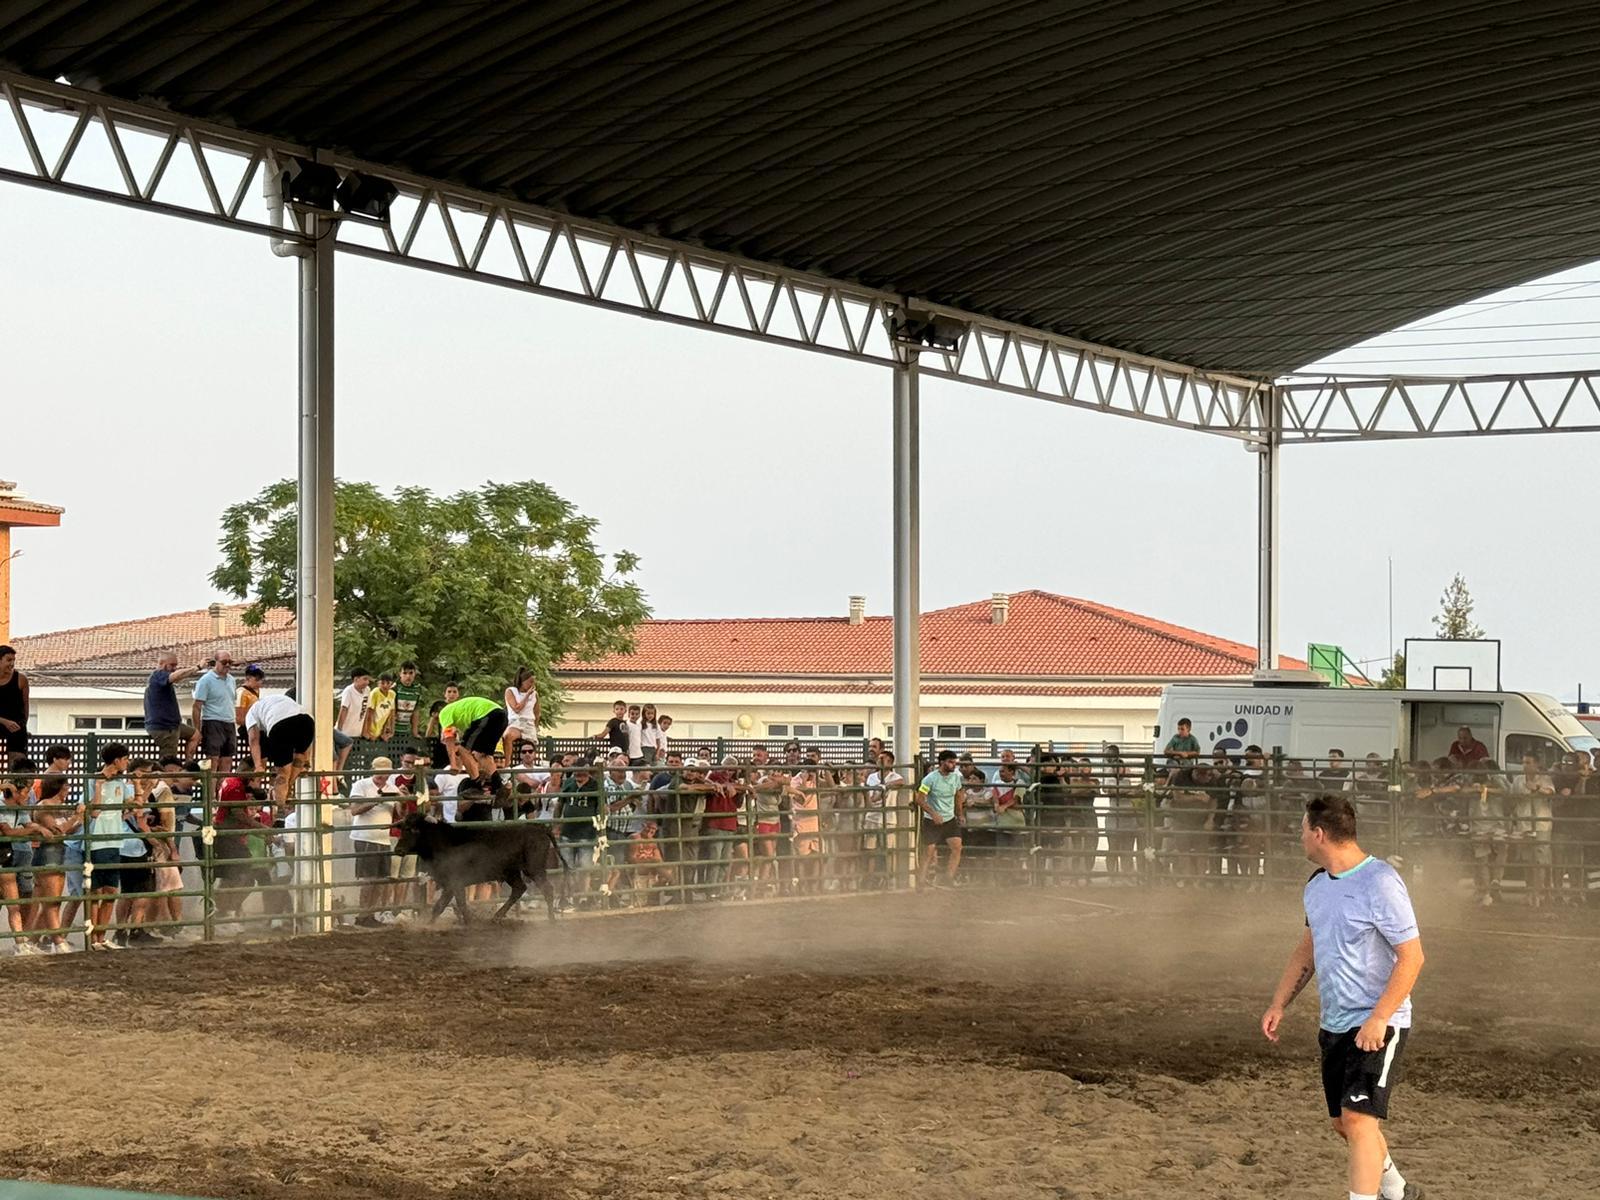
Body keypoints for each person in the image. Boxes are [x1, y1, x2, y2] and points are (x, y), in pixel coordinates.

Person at [1261, 794, 1425, 1200]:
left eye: (1302, 830)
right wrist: (1279, 1003)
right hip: (1335, 1021)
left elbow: (1412, 957)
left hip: (1377, 1022)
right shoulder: (1317, 885)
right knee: (1345, 1124)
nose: (1300, 837)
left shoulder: (1380, 882)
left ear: (1319, 834)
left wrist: (1379, 1018)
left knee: (1357, 1120)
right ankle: (1398, 1191)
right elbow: (1308, 949)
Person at [85, 742, 132, 951]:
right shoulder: (93, 780)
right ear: (116, 760)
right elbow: (93, 812)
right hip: (98, 841)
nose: (127, 762)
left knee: (111, 890)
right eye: (125, 759)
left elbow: (133, 804)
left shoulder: (120, 782)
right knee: (97, 892)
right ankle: (94, 939)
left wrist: (141, 785)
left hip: (115, 840)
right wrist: (98, 786)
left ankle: (101, 936)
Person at [348, 757, 399, 926]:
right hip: (365, 837)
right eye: (379, 773)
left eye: (385, 774)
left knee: (380, 880)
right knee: (369, 879)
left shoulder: (392, 788)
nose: (382, 777)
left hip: (383, 838)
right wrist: (376, 801)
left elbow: (399, 813)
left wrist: (402, 799)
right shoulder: (361, 785)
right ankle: (363, 915)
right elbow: (354, 810)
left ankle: (370, 914)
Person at [245, 691, 316, 805]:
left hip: (280, 724)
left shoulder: (251, 713)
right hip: (307, 721)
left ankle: (280, 808)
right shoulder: (277, 699)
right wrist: (306, 760)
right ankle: (291, 784)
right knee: (299, 757)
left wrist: (258, 766)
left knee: (283, 774)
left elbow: (253, 740)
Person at [1510, 753, 1556, 910]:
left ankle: (1539, 892)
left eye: (1528, 762)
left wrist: (1537, 788)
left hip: (1541, 824)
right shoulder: (1518, 780)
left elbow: (1550, 792)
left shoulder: (1545, 778)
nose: (1525, 765)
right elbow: (1511, 798)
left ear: (1536, 764)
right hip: (1524, 823)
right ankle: (1530, 890)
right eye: (1523, 762)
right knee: (1527, 859)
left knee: (1540, 860)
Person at [915, 749, 965, 887]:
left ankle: (949, 877)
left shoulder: (955, 778)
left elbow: (958, 795)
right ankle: (921, 880)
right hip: (932, 820)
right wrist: (933, 814)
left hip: (949, 818)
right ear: (942, 762)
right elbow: (920, 799)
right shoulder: (930, 779)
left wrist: (959, 813)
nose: (953, 765)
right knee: (929, 851)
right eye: (950, 762)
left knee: (957, 847)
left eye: (954, 762)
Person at [437, 694, 508, 783]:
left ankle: (475, 782)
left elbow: (449, 739)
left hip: (487, 714)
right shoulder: (462, 717)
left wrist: (453, 764)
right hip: (502, 716)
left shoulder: (444, 713)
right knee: (481, 754)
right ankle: (498, 784)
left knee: (462, 749)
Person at [143, 652, 201, 760]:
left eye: (176, 665)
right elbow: (176, 676)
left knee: (195, 735)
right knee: (169, 760)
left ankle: (188, 764)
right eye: (172, 665)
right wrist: (197, 667)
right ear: (162, 663)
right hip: (164, 728)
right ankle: (168, 770)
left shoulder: (163, 680)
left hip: (173, 725)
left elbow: (177, 678)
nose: (175, 668)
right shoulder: (158, 675)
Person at [191, 653, 238, 776]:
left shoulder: (232, 680)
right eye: (224, 662)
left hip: (229, 722)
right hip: (212, 721)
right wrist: (197, 730)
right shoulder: (206, 680)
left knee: (227, 760)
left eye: (230, 662)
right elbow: (197, 706)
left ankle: (222, 788)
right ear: (215, 662)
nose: (227, 665)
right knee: (213, 760)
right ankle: (210, 788)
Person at [334, 668, 372, 769]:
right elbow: (344, 709)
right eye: (365, 679)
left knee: (354, 763)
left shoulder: (367, 690)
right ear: (356, 679)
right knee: (342, 761)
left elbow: (367, 710)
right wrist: (339, 730)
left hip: (358, 733)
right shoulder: (348, 691)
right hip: (346, 733)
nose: (367, 682)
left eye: (368, 680)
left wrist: (365, 730)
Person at [0, 645, 29, 768]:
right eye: (8, 660)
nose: (12, 664)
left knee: (18, 761)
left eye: (13, 660)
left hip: (16, 725)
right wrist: (4, 721)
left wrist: (23, 725)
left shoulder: (21, 679)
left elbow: (25, 705)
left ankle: (17, 777)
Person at [504, 667, 540, 762]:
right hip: (516, 721)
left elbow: (537, 712)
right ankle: (507, 762)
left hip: (529, 723)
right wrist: (527, 695)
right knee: (508, 736)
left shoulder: (535, 694)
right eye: (530, 682)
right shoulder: (511, 691)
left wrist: (535, 727)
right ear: (522, 681)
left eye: (533, 682)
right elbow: (517, 708)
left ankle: (530, 764)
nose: (532, 685)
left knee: (530, 747)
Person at [392, 662, 423, 744]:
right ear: (400, 674)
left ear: (415, 674)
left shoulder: (417, 688)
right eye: (405, 673)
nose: (408, 676)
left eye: (411, 673)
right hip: (392, 730)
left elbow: (416, 710)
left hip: (406, 731)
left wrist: (415, 732)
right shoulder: (395, 687)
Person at [234, 665, 265, 747]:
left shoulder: (256, 691)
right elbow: (239, 718)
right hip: (245, 727)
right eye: (257, 679)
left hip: (255, 725)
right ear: (248, 678)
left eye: (261, 680)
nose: (260, 682)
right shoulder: (241, 692)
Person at [365, 672, 397, 742]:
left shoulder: (392, 694)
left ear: (391, 684)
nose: (385, 685)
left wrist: (391, 732)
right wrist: (368, 732)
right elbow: (369, 713)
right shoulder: (375, 693)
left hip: (380, 730)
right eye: (382, 683)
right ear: (378, 683)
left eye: (388, 683)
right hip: (370, 730)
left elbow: (391, 714)